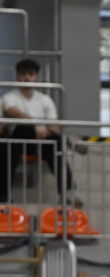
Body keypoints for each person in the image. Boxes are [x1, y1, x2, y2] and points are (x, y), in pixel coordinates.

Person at [0, 57, 77, 204]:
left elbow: (55, 126)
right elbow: (13, 112)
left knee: (57, 144)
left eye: (31, 74)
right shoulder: (9, 97)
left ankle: (67, 193)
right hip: (18, 140)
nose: (27, 78)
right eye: (23, 74)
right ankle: (4, 196)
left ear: (37, 76)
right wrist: (37, 125)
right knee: (13, 140)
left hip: (42, 141)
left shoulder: (45, 99)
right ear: (18, 76)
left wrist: (44, 129)